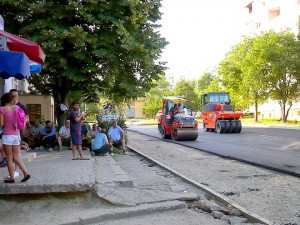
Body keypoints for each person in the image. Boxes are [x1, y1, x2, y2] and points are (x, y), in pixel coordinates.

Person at [0, 92, 30, 183]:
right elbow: (24, 119)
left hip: (7, 135)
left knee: (9, 157)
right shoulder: (17, 107)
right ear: (11, 100)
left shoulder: (2, 109)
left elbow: (1, 124)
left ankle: (11, 178)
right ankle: (26, 173)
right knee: (17, 156)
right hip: (17, 135)